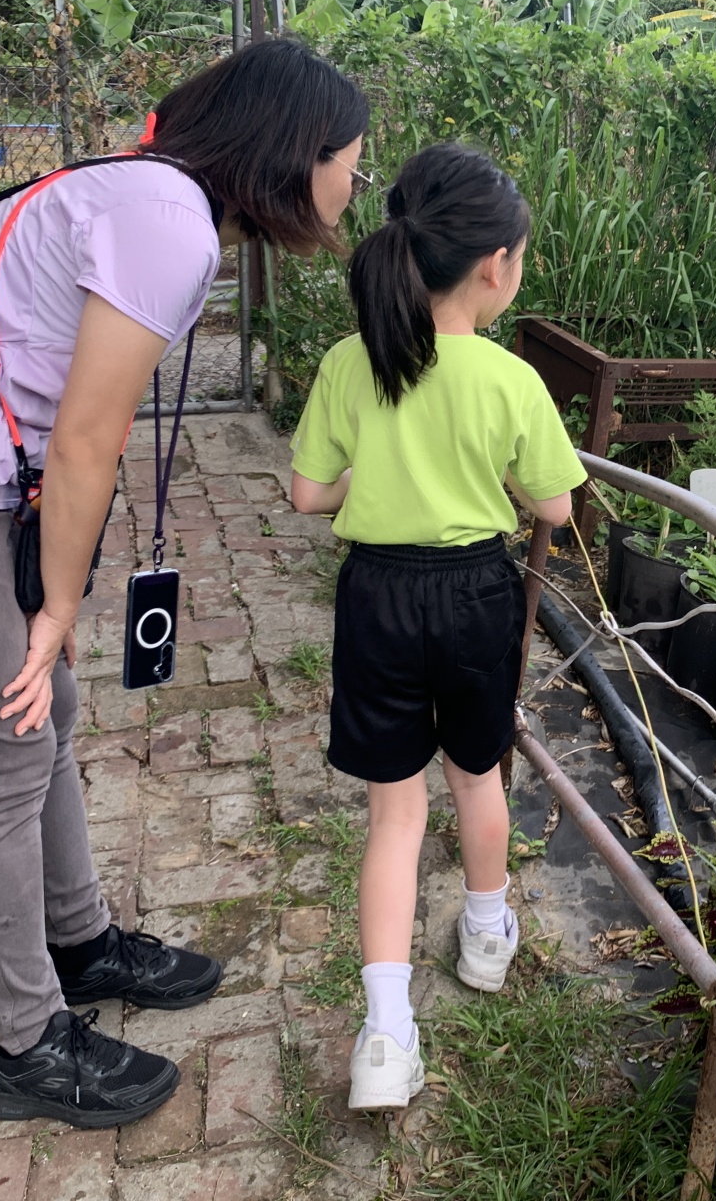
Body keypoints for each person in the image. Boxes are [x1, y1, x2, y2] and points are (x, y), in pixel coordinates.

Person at [0, 36, 370, 1127]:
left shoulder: (149, 195)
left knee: (42, 714)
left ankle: (79, 941)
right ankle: (23, 1045)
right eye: (350, 158)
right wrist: (58, 607)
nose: (353, 182)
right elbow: (85, 441)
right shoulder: (167, 222)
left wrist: (55, 608)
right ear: (296, 154)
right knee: (2, 748)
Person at [289, 142, 584, 1109]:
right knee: (477, 773)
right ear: (495, 265)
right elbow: (555, 508)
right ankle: (488, 936)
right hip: (475, 595)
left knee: (394, 811)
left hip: (377, 596)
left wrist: (369, 480)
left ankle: (384, 1036)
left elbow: (307, 494)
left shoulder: (350, 361)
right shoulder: (509, 379)